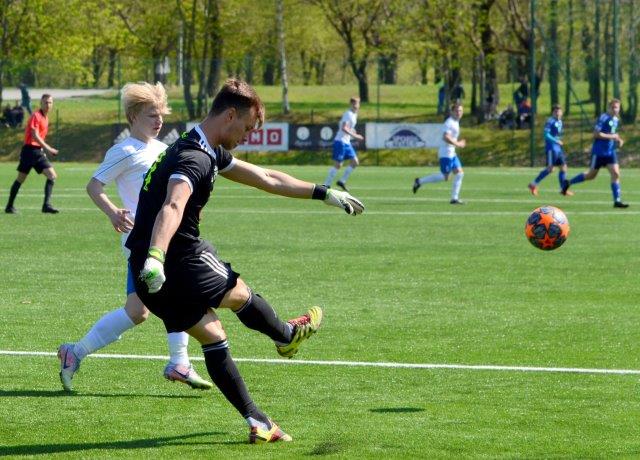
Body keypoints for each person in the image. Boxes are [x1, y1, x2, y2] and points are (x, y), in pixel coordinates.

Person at [126, 78, 364, 443]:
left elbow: (266, 177)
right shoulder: (195, 158)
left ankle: (258, 421)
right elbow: (173, 205)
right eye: (248, 128)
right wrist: (158, 256)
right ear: (230, 116)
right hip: (177, 260)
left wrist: (324, 192)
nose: (248, 136)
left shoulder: (202, 147)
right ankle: (286, 336)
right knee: (238, 292)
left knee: (214, 336)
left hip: (146, 274)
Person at [57, 82, 212, 392]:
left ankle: (75, 353)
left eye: (161, 114)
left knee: (138, 311)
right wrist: (113, 212)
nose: (159, 120)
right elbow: (94, 186)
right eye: (152, 115)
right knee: (175, 295)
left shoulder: (163, 149)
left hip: (165, 238)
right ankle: (178, 362)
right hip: (141, 242)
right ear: (133, 116)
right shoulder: (124, 151)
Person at [562, 99, 629, 208]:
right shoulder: (604, 117)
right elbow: (596, 134)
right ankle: (568, 182)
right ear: (608, 108)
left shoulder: (615, 119)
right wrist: (613, 136)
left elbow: (612, 134)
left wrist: (619, 139)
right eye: (613, 107)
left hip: (610, 152)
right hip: (599, 152)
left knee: (616, 174)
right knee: (591, 175)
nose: (615, 109)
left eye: (617, 107)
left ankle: (617, 200)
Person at [5, 94, 59, 214]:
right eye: (45, 102)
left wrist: (43, 149)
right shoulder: (36, 116)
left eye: (50, 102)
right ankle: (10, 206)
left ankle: (45, 205)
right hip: (30, 151)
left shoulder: (45, 118)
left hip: (35, 151)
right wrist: (48, 148)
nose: (48, 105)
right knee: (23, 178)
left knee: (50, 176)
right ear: (41, 103)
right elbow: (35, 135)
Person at [412, 103, 466, 204]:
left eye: (460, 111)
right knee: (445, 177)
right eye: (457, 111)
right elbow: (445, 137)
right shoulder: (449, 122)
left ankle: (454, 199)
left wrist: (456, 144)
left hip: (452, 153)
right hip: (446, 153)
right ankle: (419, 181)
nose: (459, 113)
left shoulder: (456, 122)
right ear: (452, 112)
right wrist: (458, 143)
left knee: (459, 173)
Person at [528, 104, 573, 196]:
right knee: (550, 169)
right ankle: (533, 184)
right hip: (551, 148)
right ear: (553, 113)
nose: (557, 113)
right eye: (555, 111)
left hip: (558, 149)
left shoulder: (560, 122)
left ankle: (563, 189)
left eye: (559, 111)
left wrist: (558, 141)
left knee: (563, 167)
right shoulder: (550, 121)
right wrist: (556, 140)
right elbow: (546, 135)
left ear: (562, 112)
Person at [323, 97, 364, 192]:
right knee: (338, 164)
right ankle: (326, 185)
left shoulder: (354, 115)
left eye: (358, 103)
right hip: (340, 141)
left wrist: (353, 133)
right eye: (355, 104)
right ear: (351, 104)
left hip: (346, 142)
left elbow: (348, 128)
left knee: (355, 162)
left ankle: (342, 181)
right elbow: (344, 128)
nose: (356, 106)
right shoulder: (348, 114)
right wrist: (355, 136)